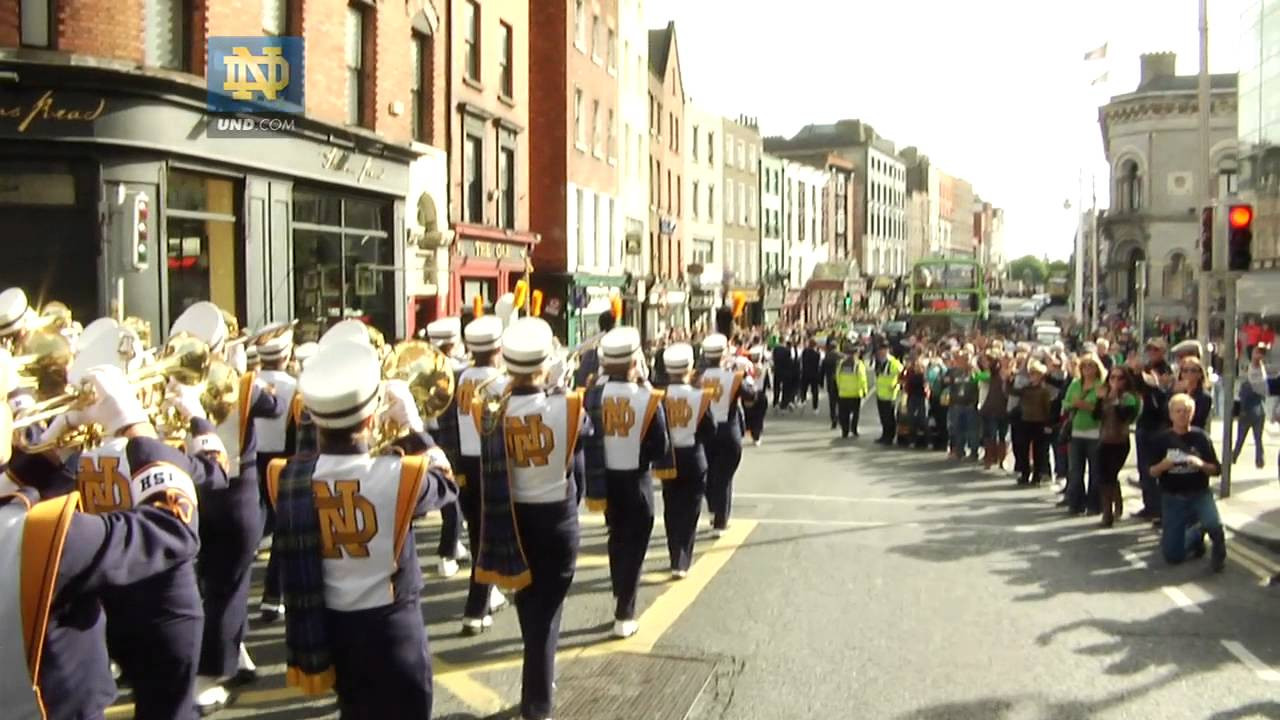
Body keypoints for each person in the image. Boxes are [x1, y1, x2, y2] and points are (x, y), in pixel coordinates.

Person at [0, 362, 208, 720]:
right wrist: (135, 427)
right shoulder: (39, 535)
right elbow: (173, 527)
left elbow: (23, 489)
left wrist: (57, 439)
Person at [268, 338, 458, 718]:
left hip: (334, 628)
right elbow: (446, 483)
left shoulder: (285, 477)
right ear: (372, 419)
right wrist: (413, 427)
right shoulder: (398, 472)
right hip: (393, 628)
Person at [473, 317, 588, 720]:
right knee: (548, 609)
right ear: (544, 364)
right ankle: (537, 701)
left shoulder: (489, 413)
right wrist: (559, 384)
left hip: (513, 519)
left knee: (530, 605)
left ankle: (540, 680)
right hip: (556, 518)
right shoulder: (569, 405)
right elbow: (583, 437)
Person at [583, 327, 671, 637]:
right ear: (635, 361)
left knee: (616, 538)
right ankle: (625, 609)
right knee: (636, 543)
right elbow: (660, 446)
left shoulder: (592, 393)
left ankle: (621, 592)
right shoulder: (646, 396)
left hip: (605, 479)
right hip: (636, 479)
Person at [453, 315, 510, 635]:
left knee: (478, 534)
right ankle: (475, 609)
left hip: (466, 463)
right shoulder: (500, 381)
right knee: (490, 538)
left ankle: (491, 592)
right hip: (491, 464)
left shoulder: (462, 377)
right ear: (498, 347)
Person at [252, 321, 299, 624]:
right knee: (284, 530)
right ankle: (272, 597)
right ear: (286, 354)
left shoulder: (246, 382)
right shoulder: (296, 386)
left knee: (251, 531)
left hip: (250, 461)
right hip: (282, 461)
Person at [1149, 393, 1226, 570]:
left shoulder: (1201, 438)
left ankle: (1219, 555)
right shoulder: (1161, 440)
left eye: (1187, 411)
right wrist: (1164, 465)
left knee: (1214, 524)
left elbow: (1216, 470)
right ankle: (1197, 532)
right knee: (1172, 556)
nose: (1183, 415)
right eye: (1179, 411)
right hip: (1173, 497)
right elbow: (1151, 472)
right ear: (1171, 415)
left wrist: (1200, 464)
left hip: (1199, 493)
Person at [659, 343, 717, 577]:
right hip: (694, 456)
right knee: (690, 509)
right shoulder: (700, 396)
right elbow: (710, 429)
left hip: (669, 457)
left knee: (671, 507)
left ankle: (675, 556)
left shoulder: (659, 396)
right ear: (690, 367)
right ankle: (684, 558)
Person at [699, 333, 756, 536]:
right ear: (724, 354)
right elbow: (750, 397)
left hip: (706, 431)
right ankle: (720, 520)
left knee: (710, 474)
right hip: (728, 430)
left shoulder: (698, 378)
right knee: (724, 476)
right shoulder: (734, 376)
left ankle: (715, 510)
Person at [1133, 338, 1174, 521]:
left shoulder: (1166, 370)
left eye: (1156, 349)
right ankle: (1149, 506)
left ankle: (1159, 508)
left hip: (1159, 425)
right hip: (1144, 423)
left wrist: (1155, 382)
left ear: (1163, 351)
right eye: (1149, 349)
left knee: (1156, 468)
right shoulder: (1145, 369)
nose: (1151, 352)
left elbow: (1163, 392)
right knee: (1143, 468)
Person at [1063, 353, 1106, 516]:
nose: (1088, 369)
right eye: (1085, 366)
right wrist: (1073, 404)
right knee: (1075, 471)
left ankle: (1094, 504)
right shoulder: (1075, 384)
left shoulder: (1101, 385)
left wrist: (1088, 406)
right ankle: (1076, 503)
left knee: (1095, 472)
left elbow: (1102, 409)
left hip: (1095, 433)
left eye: (1091, 366)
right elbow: (1065, 402)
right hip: (1076, 432)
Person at [1095, 367, 1139, 527]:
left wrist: (1115, 401)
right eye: (1112, 378)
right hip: (1104, 440)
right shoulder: (1105, 395)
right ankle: (1108, 511)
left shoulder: (1129, 397)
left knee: (1111, 474)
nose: (1115, 381)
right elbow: (1096, 416)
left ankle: (1113, 510)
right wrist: (1101, 400)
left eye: (1120, 378)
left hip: (1120, 441)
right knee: (1103, 476)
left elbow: (1125, 417)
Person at [1011, 360, 1054, 485]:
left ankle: (1037, 475)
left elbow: (1047, 407)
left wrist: (1047, 423)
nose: (1032, 376)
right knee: (1023, 448)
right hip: (1025, 421)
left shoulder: (1044, 391)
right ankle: (1025, 473)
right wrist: (1008, 381)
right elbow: (1013, 392)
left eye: (1035, 374)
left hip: (1039, 422)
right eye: (1031, 374)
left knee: (1038, 450)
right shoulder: (1026, 389)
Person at [941, 348, 981, 461]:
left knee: (972, 430)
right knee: (957, 429)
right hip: (956, 404)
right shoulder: (954, 371)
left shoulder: (975, 372)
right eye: (960, 359)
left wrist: (975, 402)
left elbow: (980, 385)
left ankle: (974, 452)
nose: (962, 362)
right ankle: (959, 451)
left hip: (970, 405)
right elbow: (945, 382)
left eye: (965, 359)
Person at [1236, 343, 1271, 469]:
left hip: (1251, 408)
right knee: (1255, 438)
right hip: (1257, 409)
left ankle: (1236, 457)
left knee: (1244, 438)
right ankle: (1258, 460)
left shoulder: (1257, 368)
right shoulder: (1256, 368)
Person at [834, 343, 869, 438]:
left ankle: (845, 430)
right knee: (855, 413)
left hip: (843, 393)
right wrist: (864, 390)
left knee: (844, 413)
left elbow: (837, 377)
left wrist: (840, 387)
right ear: (856, 354)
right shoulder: (858, 364)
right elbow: (862, 378)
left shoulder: (841, 364)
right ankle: (854, 429)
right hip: (855, 393)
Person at [872, 344, 903, 445]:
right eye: (879, 351)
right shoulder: (880, 362)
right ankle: (884, 435)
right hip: (881, 393)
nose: (879, 353)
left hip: (889, 394)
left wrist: (896, 385)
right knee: (883, 417)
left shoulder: (893, 362)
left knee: (889, 417)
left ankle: (889, 437)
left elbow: (902, 374)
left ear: (887, 351)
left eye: (881, 351)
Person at [820, 338, 843, 429]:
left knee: (832, 402)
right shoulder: (842, 356)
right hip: (841, 381)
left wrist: (821, 382)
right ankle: (841, 419)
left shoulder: (827, 357)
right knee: (841, 401)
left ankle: (833, 419)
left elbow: (822, 371)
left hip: (830, 381)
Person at [799, 337, 822, 412]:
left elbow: (801, 361)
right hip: (814, 374)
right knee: (815, 391)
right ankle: (815, 407)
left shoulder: (804, 352)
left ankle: (803, 400)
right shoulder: (817, 354)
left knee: (803, 388)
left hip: (805, 373)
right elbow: (819, 365)